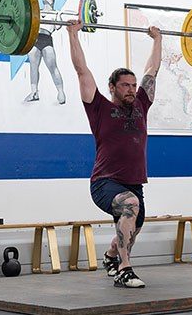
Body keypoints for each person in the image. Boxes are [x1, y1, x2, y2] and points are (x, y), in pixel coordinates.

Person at [66, 19, 161, 288]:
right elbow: (81, 70)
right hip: (104, 182)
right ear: (112, 87)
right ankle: (124, 269)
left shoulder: (142, 104)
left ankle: (110, 256)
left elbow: (153, 69)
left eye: (133, 85)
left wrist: (157, 39)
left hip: (134, 183)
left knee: (133, 226)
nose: (131, 89)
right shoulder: (99, 108)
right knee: (129, 205)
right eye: (125, 85)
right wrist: (73, 34)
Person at [25, 0, 66, 104]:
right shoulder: (37, 12)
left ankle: (61, 92)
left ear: (52, 1)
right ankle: (34, 92)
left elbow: (57, 26)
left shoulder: (55, 13)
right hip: (35, 38)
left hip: (46, 38)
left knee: (53, 67)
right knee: (33, 67)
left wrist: (59, 15)